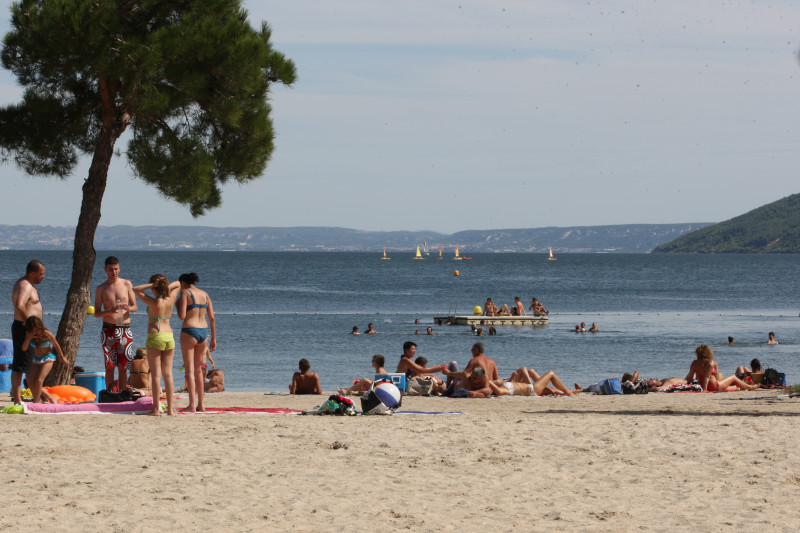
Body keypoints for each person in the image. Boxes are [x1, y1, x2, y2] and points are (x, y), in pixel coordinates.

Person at [133, 274, 181, 415]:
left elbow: (135, 289)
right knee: (168, 374)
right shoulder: (170, 299)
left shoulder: (153, 302)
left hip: (156, 336)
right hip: (169, 336)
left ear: (154, 288)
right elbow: (178, 283)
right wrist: (166, 286)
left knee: (155, 375)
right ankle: (170, 409)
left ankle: (155, 410)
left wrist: (152, 285)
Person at [94, 256, 138, 391]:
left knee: (124, 366)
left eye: (116, 269)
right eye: (111, 270)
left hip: (124, 329)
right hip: (108, 330)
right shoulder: (101, 288)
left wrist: (129, 308)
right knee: (109, 366)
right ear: (105, 270)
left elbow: (135, 306)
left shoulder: (126, 284)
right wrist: (110, 311)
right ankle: (109, 393)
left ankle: (123, 392)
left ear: (119, 268)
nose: (114, 272)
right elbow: (96, 313)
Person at [176, 272, 216, 413]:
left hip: (189, 330)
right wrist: (214, 338)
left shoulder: (185, 293)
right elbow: (211, 317)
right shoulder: (205, 294)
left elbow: (181, 316)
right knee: (199, 371)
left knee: (189, 370)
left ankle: (192, 405)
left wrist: (177, 304)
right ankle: (201, 405)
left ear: (182, 282)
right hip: (204, 332)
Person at [10, 260, 45, 405]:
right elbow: (19, 305)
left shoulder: (28, 285)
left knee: (28, 364)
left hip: (29, 329)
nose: (43, 276)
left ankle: (37, 397)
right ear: (32, 273)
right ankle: (17, 400)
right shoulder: (25, 285)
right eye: (41, 273)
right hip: (24, 329)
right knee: (20, 365)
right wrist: (30, 325)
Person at [21, 316, 69, 403]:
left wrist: (62, 358)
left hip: (48, 358)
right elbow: (24, 348)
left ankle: (36, 401)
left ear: (41, 327)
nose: (36, 332)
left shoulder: (46, 334)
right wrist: (28, 338)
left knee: (39, 380)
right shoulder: (28, 335)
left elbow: (56, 345)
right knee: (30, 381)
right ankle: (49, 398)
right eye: (34, 330)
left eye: (37, 330)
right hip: (36, 359)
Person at [686, 344, 758, 392]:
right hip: (714, 386)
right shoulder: (710, 362)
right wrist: (704, 390)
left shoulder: (694, 363)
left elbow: (690, 377)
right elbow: (707, 377)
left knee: (736, 388)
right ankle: (750, 387)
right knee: (733, 377)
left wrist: (689, 386)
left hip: (701, 385)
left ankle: (742, 386)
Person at [487, 366, 575, 397]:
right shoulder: (503, 390)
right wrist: (489, 381)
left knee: (552, 390)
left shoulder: (504, 386)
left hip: (531, 388)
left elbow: (513, 385)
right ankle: (568, 392)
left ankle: (571, 391)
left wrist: (512, 378)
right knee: (551, 374)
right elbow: (499, 392)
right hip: (532, 389)